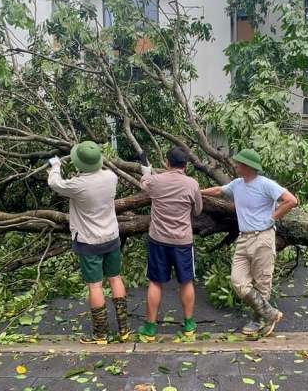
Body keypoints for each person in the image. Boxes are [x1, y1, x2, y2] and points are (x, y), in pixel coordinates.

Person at [201, 148, 298, 337]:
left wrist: (272, 218)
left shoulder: (266, 184)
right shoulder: (237, 184)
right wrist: (196, 191)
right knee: (238, 282)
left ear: (248, 166)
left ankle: (257, 320)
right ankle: (269, 313)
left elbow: (291, 200)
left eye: (239, 163)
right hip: (244, 238)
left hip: (263, 237)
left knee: (262, 282)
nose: (236, 165)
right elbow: (219, 190)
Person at [47, 141, 130, 344]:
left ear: (79, 164)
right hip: (111, 236)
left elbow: (55, 184)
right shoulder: (112, 177)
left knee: (95, 286)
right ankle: (124, 330)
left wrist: (55, 166)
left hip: (89, 241)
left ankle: (100, 335)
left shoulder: (77, 185)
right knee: (115, 278)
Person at [137, 147, 203, 342]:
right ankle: (189, 325)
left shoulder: (156, 181)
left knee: (155, 282)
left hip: (158, 240)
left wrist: (147, 170)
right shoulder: (192, 184)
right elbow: (198, 210)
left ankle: (149, 329)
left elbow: (144, 182)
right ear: (186, 165)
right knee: (186, 281)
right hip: (182, 241)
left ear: (167, 163)